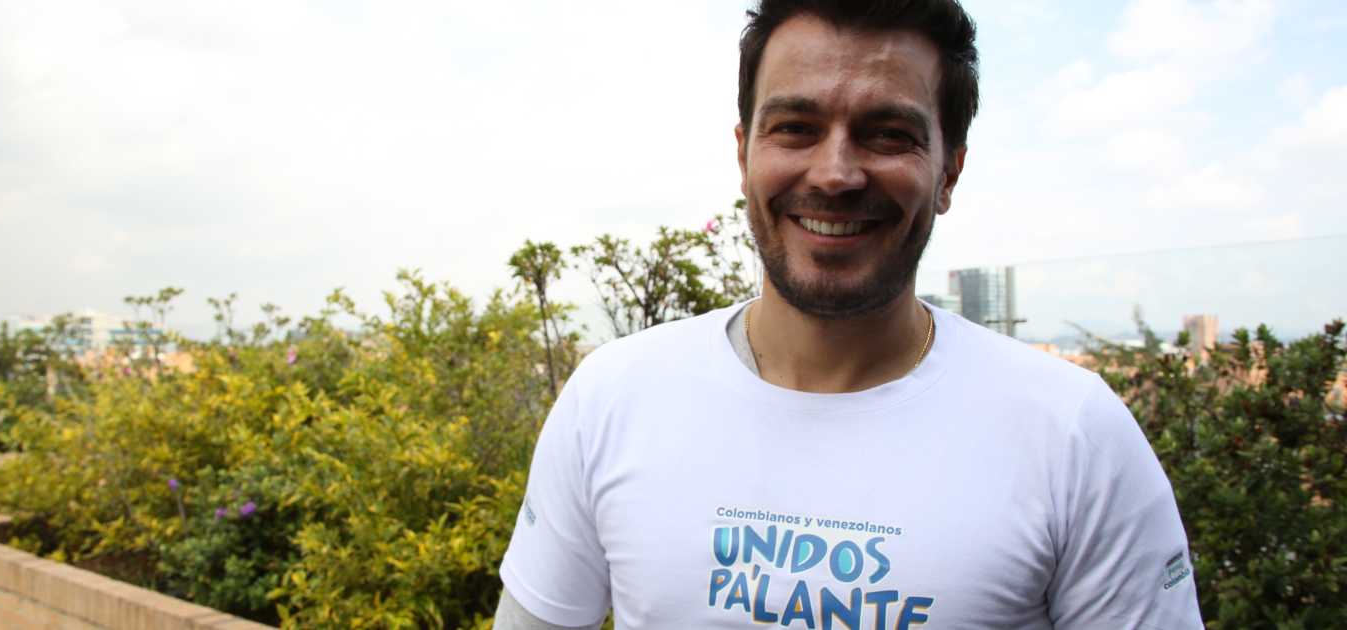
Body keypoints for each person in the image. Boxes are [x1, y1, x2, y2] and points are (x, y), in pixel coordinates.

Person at [494, 0, 1205, 627]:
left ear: (949, 172)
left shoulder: (1073, 433)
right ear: (744, 155)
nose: (835, 173)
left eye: (888, 133)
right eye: (796, 127)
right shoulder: (612, 397)